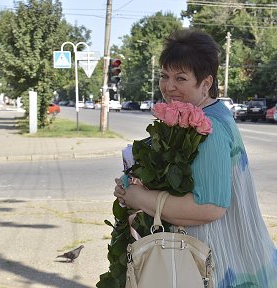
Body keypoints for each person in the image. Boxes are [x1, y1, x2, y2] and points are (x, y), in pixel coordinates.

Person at [114, 29, 277, 287]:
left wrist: (140, 198)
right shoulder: (208, 114)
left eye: (181, 78)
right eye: (164, 76)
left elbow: (209, 207)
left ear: (206, 83)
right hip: (218, 257)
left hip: (218, 265)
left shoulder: (209, 127)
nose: (169, 87)